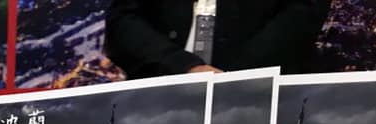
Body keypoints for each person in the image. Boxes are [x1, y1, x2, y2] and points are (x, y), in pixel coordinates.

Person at [104, 0, 331, 79]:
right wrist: (183, 66)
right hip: (160, 93)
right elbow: (122, 21)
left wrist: (233, 79)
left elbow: (302, 15)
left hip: (260, 97)